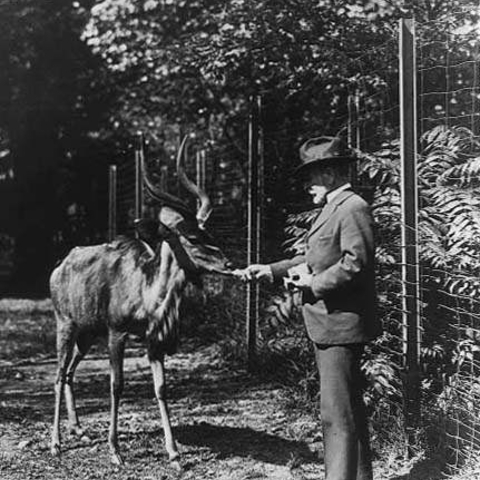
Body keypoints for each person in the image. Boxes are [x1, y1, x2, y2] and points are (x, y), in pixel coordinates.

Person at [239, 135, 381, 480]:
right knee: (347, 410)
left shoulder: (352, 207)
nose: (307, 186)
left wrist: (312, 284)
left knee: (335, 413)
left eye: (311, 177)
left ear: (330, 173)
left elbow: (355, 263)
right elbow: (315, 256)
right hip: (330, 324)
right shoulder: (335, 207)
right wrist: (272, 269)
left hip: (341, 325)